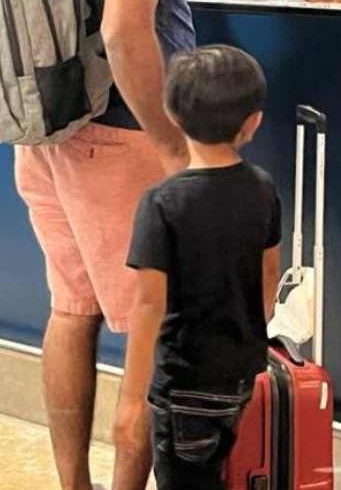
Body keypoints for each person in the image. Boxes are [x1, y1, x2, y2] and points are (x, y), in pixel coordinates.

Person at [10, 0, 221, 488]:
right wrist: (173, 147)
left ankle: (75, 484)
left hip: (48, 131)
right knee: (153, 329)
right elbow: (127, 30)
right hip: (123, 137)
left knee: (71, 311)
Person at [120, 44, 282, 489]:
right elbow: (269, 275)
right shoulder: (262, 188)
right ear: (253, 123)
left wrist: (131, 401)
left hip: (182, 380)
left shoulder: (162, 202)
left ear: (171, 116)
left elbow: (149, 304)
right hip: (238, 373)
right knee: (212, 469)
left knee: (185, 478)